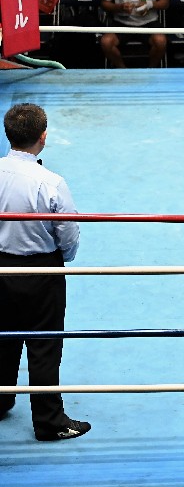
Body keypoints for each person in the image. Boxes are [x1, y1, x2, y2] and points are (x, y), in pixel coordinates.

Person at [0, 103, 88, 442]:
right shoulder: (50, 182)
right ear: (43, 136)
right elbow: (68, 232)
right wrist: (63, 258)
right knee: (44, 344)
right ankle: (49, 421)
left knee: (2, 336)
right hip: (40, 270)